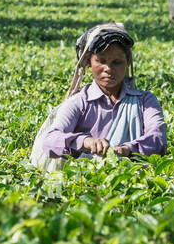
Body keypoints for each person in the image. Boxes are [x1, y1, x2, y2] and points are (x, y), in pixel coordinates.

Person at [32, 22, 165, 166]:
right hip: (83, 182)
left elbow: (157, 138)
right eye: (101, 61)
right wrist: (85, 141)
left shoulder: (145, 101)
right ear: (89, 62)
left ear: (128, 61)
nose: (108, 69)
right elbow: (51, 140)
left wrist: (128, 149)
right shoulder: (80, 102)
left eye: (117, 62)